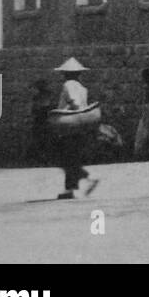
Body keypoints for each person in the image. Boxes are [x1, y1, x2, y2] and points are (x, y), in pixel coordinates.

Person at [54, 57, 99, 200]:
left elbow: (75, 103)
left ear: (66, 74)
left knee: (66, 157)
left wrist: (63, 112)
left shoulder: (68, 85)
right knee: (72, 157)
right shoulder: (82, 88)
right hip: (81, 126)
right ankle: (72, 188)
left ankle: (85, 180)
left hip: (69, 125)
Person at [28, 79, 53, 164]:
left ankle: (41, 157)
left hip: (41, 119)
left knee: (41, 139)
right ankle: (42, 157)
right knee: (42, 139)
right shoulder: (46, 95)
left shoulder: (39, 96)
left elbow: (34, 109)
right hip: (43, 119)